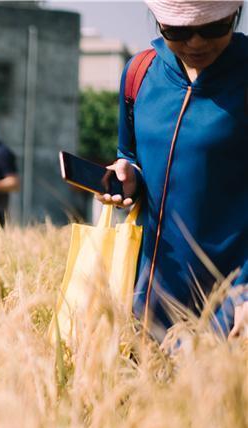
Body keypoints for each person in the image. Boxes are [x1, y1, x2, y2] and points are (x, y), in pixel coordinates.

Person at [99, 0, 247, 340]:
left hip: (232, 301)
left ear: (234, 14)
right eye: (177, 31)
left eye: (212, 28)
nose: (196, 43)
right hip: (149, 294)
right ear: (157, 20)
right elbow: (129, 151)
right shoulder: (140, 72)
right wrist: (129, 175)